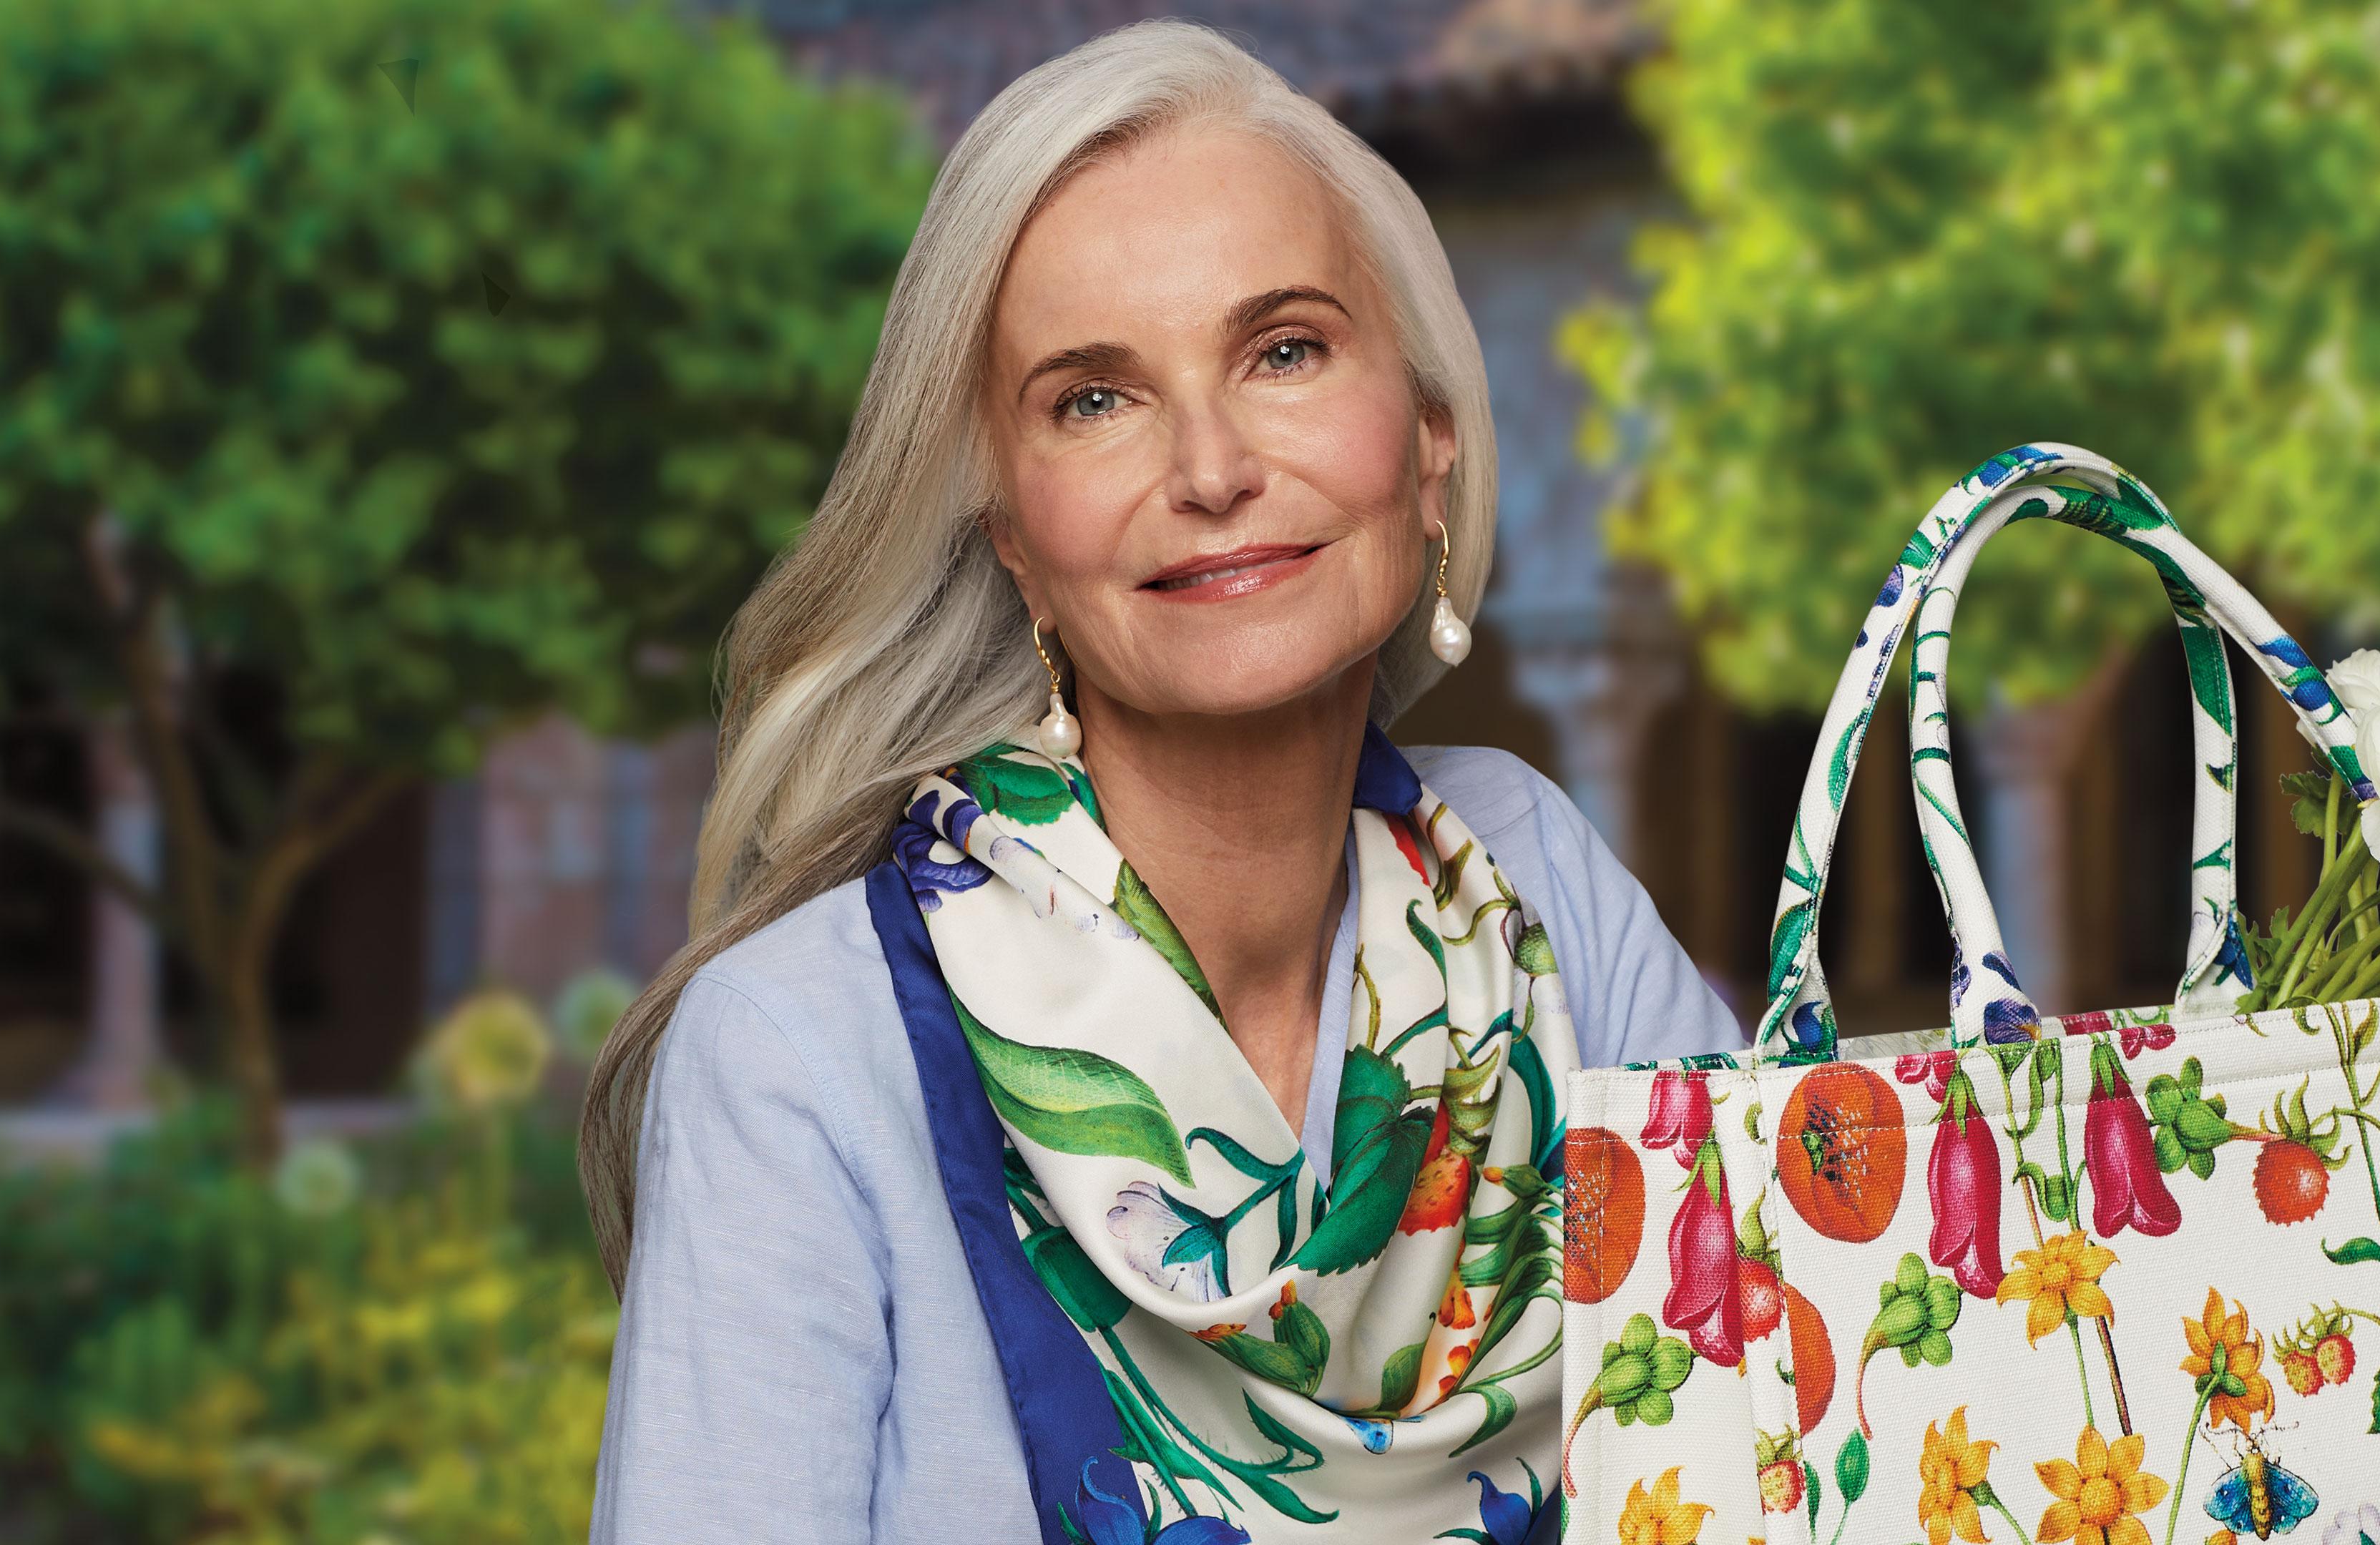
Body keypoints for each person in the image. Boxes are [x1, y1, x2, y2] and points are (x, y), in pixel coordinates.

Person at [579, 18, 1744, 1543]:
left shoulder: (1533, 878)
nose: (1209, 468)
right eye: (1095, 398)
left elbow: (1783, 1393)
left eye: (1284, 351)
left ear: (1431, 443)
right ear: (1014, 539)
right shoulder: (803, 1054)